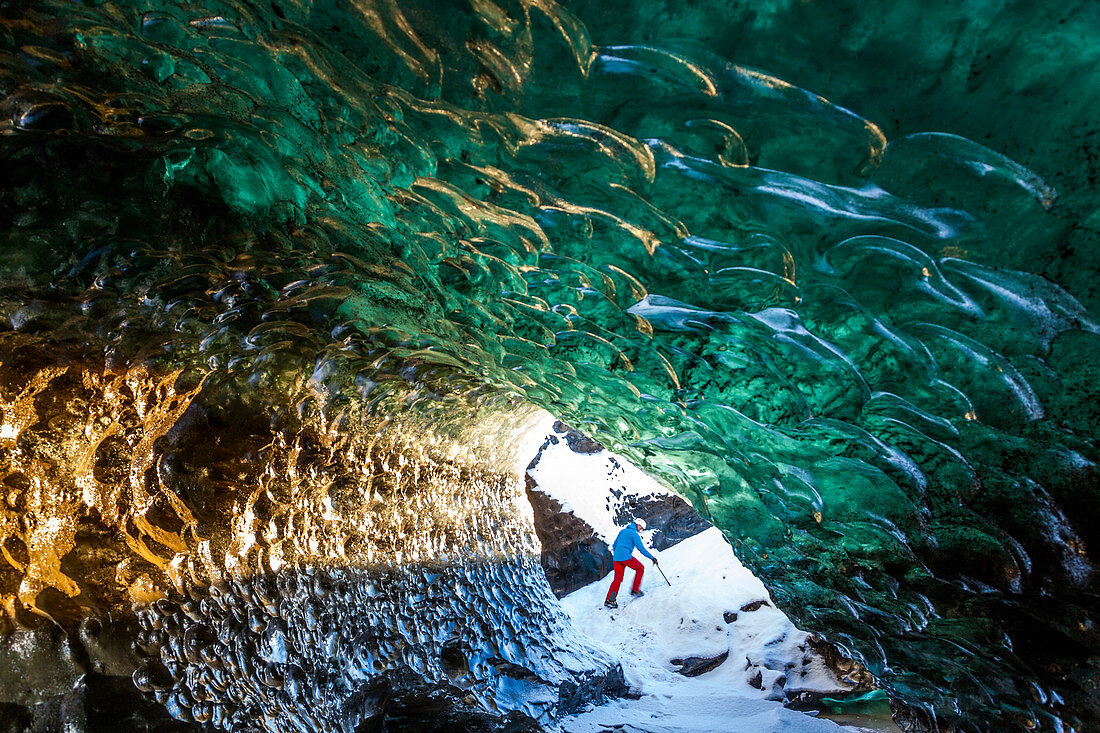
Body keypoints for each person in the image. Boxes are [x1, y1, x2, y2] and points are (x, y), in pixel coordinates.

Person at [604, 517, 658, 609]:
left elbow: (614, 545)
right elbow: (641, 549)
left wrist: (618, 553)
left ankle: (610, 600)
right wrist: (652, 558)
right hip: (625, 557)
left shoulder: (623, 531)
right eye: (641, 528)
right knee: (640, 568)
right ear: (638, 525)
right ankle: (635, 590)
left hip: (617, 558)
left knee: (617, 579)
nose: (640, 530)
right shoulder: (634, 534)